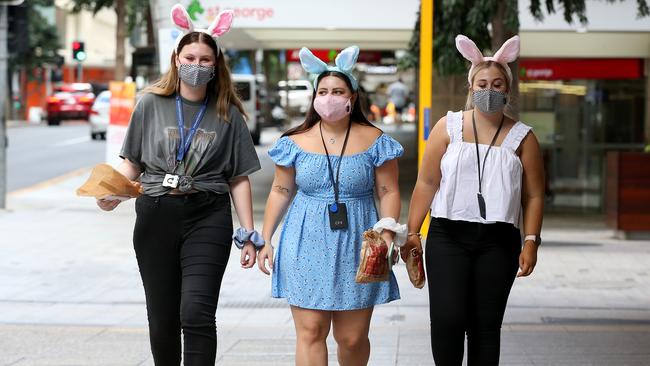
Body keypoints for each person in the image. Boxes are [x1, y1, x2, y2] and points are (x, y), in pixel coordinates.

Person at [96, 4, 263, 365]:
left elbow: (238, 176)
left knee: (197, 313)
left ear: (216, 65)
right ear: (176, 58)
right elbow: (133, 162)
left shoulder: (228, 113)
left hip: (209, 214)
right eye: (190, 57)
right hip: (156, 214)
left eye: (206, 60)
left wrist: (249, 231)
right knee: (163, 318)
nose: (197, 65)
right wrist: (112, 190)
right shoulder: (150, 104)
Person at [257, 46, 405, 366]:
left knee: (351, 338)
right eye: (322, 91)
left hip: (360, 240)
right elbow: (280, 190)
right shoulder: (295, 141)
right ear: (313, 96)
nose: (329, 97)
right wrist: (266, 238)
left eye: (338, 91)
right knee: (311, 331)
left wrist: (389, 229)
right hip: (304, 239)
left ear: (353, 95)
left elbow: (389, 190)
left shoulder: (376, 140)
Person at [402, 34, 545, 365]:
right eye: (482, 83)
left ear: (507, 90)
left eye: (497, 84)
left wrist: (531, 241)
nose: (489, 90)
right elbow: (426, 181)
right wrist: (412, 231)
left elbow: (534, 194)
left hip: (499, 241)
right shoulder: (447, 127)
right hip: (447, 235)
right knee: (448, 321)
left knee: (485, 327)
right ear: (470, 87)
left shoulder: (524, 137)